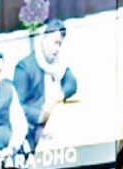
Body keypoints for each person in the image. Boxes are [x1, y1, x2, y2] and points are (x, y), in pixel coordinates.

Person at [14, 19, 78, 150]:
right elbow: (17, 107)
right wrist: (40, 115)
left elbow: (72, 83)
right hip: (34, 129)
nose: (57, 49)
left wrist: (58, 96)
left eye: (60, 44)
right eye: (55, 43)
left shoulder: (58, 64)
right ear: (44, 39)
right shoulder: (25, 67)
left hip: (55, 121)